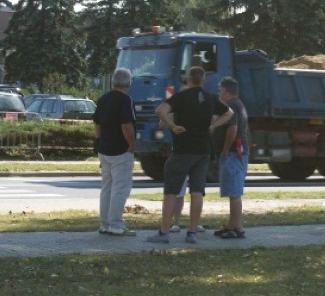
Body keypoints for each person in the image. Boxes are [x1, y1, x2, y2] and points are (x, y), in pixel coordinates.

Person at [147, 66, 233, 244]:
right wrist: (214, 125)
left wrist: (172, 126)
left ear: (187, 79)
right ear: (204, 80)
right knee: (197, 191)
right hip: (203, 150)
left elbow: (160, 111)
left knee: (171, 190)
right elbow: (229, 113)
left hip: (182, 149)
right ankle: (192, 232)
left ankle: (164, 232)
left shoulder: (181, 97)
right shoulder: (210, 98)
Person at [93, 68, 136, 237]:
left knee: (107, 187)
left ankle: (104, 223)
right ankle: (116, 224)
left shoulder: (103, 99)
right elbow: (126, 125)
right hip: (120, 149)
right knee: (121, 187)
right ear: (129, 83)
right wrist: (132, 144)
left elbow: (96, 123)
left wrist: (98, 141)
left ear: (112, 82)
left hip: (104, 148)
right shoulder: (126, 100)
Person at [213, 76, 250, 238]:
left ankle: (237, 228)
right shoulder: (238, 104)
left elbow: (232, 129)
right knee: (232, 190)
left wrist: (225, 149)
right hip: (237, 152)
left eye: (220, 89)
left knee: (234, 192)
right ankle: (231, 225)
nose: (219, 92)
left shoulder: (231, 106)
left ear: (226, 90)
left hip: (233, 153)